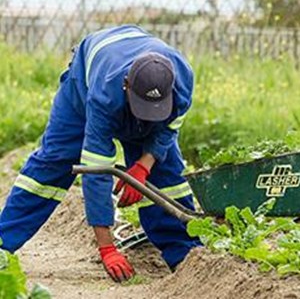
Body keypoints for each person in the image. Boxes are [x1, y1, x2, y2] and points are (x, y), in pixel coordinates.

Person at [0, 25, 200, 282]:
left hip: (139, 80)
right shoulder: (105, 95)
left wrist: (144, 166)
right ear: (126, 86)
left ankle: (185, 255)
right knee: (54, 163)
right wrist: (106, 247)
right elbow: (97, 172)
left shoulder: (182, 81)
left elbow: (168, 130)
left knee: (166, 173)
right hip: (84, 84)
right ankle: (3, 241)